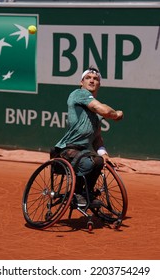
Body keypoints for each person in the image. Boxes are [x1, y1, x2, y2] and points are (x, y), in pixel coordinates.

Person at [52, 66, 124, 207]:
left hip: (82, 153)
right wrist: (116, 115)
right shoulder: (79, 94)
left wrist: (104, 155)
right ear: (81, 82)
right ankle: (77, 194)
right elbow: (103, 109)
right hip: (66, 150)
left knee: (98, 162)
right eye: (88, 78)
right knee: (88, 163)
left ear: (99, 84)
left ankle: (86, 193)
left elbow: (97, 139)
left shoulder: (96, 114)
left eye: (95, 79)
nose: (92, 80)